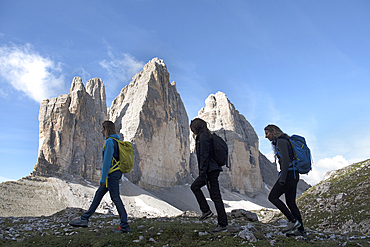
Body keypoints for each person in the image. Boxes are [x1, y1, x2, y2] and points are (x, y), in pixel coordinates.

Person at [69, 121, 131, 233]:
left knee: (115, 198)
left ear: (106, 128)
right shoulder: (117, 141)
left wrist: (102, 179)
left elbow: (107, 162)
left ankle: (125, 226)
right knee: (99, 194)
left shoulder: (109, 142)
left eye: (102, 128)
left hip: (111, 174)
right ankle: (84, 219)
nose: (101, 130)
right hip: (115, 173)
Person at [264, 124, 306, 237]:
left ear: (273, 132)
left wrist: (282, 178)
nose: (266, 136)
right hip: (293, 174)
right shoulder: (284, 140)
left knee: (272, 197)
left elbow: (286, 159)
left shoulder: (281, 141)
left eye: (267, 133)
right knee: (291, 203)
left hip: (288, 174)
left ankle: (292, 221)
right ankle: (301, 231)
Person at [190, 118, 228, 233]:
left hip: (209, 171)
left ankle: (222, 224)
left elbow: (204, 155)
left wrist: (202, 173)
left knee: (215, 197)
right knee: (195, 187)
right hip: (211, 169)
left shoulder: (202, 137)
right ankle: (206, 211)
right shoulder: (207, 135)